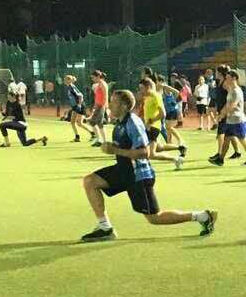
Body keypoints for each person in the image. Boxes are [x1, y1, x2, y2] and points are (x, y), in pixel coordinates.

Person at [80, 89, 217, 242]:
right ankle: (105, 228)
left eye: (113, 102)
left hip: (138, 176)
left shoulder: (132, 123)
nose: (110, 105)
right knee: (90, 181)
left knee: (154, 218)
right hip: (124, 170)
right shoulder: (120, 123)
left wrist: (115, 150)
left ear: (124, 106)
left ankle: (203, 216)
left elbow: (144, 152)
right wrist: (113, 147)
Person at [136, 77, 187, 170]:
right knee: (159, 148)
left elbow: (163, 113)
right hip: (149, 127)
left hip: (153, 127)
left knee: (151, 154)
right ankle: (181, 148)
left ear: (148, 87)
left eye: (142, 88)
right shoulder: (147, 97)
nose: (141, 90)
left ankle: (176, 159)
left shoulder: (156, 96)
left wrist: (151, 120)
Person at [209, 70, 246, 166]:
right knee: (226, 139)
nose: (226, 80)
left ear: (234, 78)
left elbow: (232, 105)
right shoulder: (231, 90)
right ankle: (220, 159)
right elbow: (227, 104)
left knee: (242, 139)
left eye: (228, 78)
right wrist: (221, 113)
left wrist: (222, 115)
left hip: (238, 120)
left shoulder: (236, 91)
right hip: (230, 120)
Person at [62, 74, 92, 142]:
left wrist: (79, 105)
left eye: (65, 79)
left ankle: (77, 137)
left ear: (69, 80)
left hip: (78, 106)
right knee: (79, 123)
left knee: (73, 122)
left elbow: (81, 95)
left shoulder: (71, 87)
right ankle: (92, 133)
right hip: (77, 106)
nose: (64, 81)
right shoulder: (69, 87)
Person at [89, 71, 109, 146]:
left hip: (101, 106)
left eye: (93, 77)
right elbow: (98, 96)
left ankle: (104, 141)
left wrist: (104, 106)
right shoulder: (98, 84)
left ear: (97, 76)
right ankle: (99, 140)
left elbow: (105, 95)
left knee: (97, 123)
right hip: (98, 105)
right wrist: (95, 106)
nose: (92, 79)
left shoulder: (102, 84)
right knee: (93, 122)